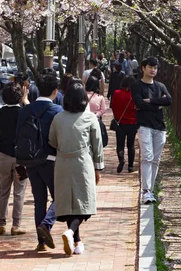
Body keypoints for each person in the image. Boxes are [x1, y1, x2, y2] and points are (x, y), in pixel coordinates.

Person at [49, 82, 104, 255]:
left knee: (68, 204)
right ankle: (71, 232)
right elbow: (98, 145)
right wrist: (98, 168)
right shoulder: (90, 118)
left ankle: (77, 242)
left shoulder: (58, 118)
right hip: (82, 163)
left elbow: (52, 141)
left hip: (62, 163)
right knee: (85, 203)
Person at [16, 71, 64, 251]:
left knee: (39, 201)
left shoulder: (25, 110)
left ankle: (41, 242)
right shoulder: (57, 111)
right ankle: (47, 224)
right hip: (51, 161)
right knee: (60, 196)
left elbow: (18, 136)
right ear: (55, 91)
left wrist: (20, 163)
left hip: (30, 162)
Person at [131, 57, 172, 204]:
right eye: (150, 67)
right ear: (143, 68)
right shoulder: (137, 86)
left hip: (160, 127)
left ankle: (151, 190)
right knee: (147, 156)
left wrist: (151, 101)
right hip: (144, 125)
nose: (153, 70)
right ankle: (146, 191)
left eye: (155, 67)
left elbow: (169, 100)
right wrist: (157, 104)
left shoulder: (160, 86)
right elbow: (139, 103)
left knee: (156, 159)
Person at [0, 83, 28, 236]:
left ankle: (1, 223)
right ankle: (16, 225)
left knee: (3, 191)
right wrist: (25, 100)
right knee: (19, 192)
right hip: (21, 157)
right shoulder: (23, 112)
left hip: (3, 155)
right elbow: (31, 112)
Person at [111, 76, 138, 173]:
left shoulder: (116, 93)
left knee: (120, 144)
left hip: (120, 122)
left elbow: (113, 106)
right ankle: (130, 166)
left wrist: (116, 116)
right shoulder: (134, 95)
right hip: (132, 122)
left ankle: (121, 159)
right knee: (130, 145)